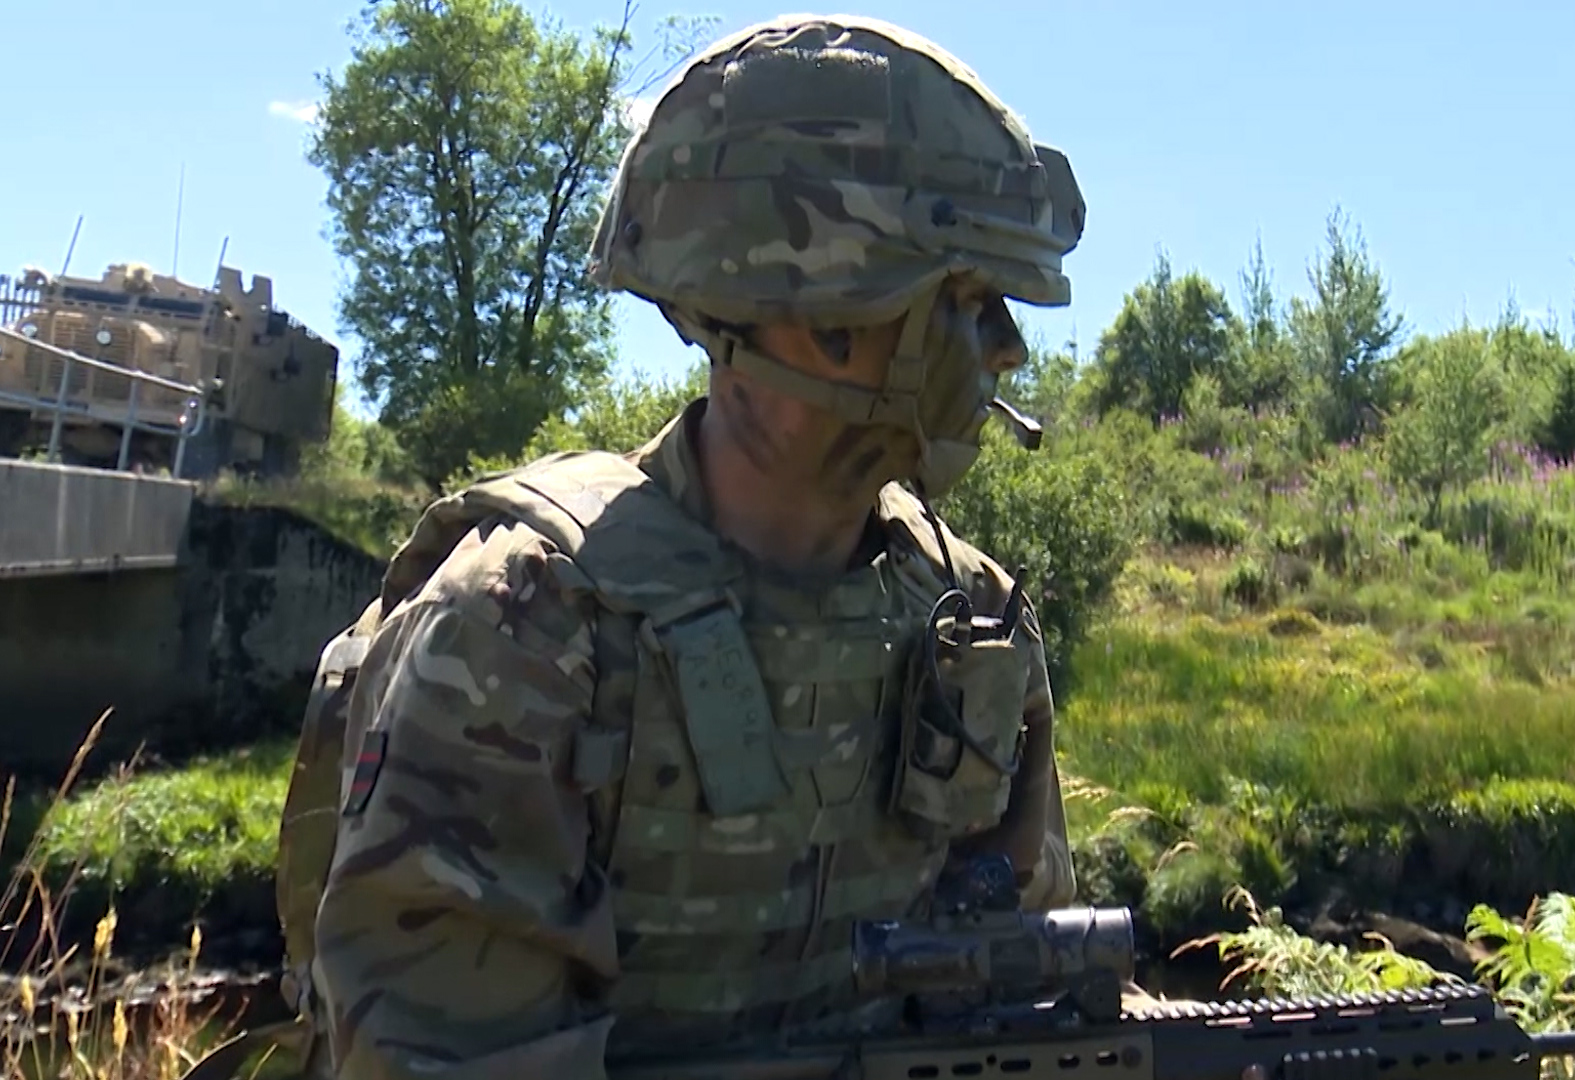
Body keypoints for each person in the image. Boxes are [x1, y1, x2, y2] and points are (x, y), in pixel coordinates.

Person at [301, 14, 1100, 1079]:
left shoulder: (971, 623)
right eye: (967, 299)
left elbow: (1026, 992)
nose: (1004, 350)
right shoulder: (522, 626)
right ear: (819, 309)